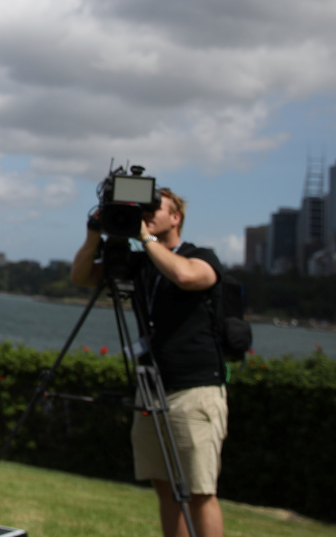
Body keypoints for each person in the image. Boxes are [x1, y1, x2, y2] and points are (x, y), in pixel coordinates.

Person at [70, 188, 228, 537]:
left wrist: (144, 238)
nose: (146, 215)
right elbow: (81, 277)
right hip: (152, 389)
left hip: (194, 389)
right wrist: (93, 234)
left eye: (155, 209)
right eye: (142, 211)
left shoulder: (201, 256)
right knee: (164, 486)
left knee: (200, 491)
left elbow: (187, 276)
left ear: (176, 218)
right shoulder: (141, 264)